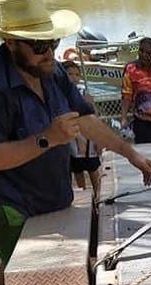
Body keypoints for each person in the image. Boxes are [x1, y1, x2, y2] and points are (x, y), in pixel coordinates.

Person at [0, 0, 151, 285]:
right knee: (30, 272)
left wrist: (129, 153)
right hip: (7, 200)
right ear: (12, 44)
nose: (50, 53)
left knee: (18, 270)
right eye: (39, 46)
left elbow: (86, 122)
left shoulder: (54, 72)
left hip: (50, 192)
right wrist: (47, 138)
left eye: (53, 42)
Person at [62, 60, 102, 197]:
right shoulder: (59, 95)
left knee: (93, 169)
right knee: (77, 170)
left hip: (88, 138)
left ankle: (98, 197)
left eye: (76, 74)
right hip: (71, 139)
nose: (73, 77)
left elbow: (94, 115)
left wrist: (99, 139)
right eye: (69, 74)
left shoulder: (85, 93)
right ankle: (84, 195)